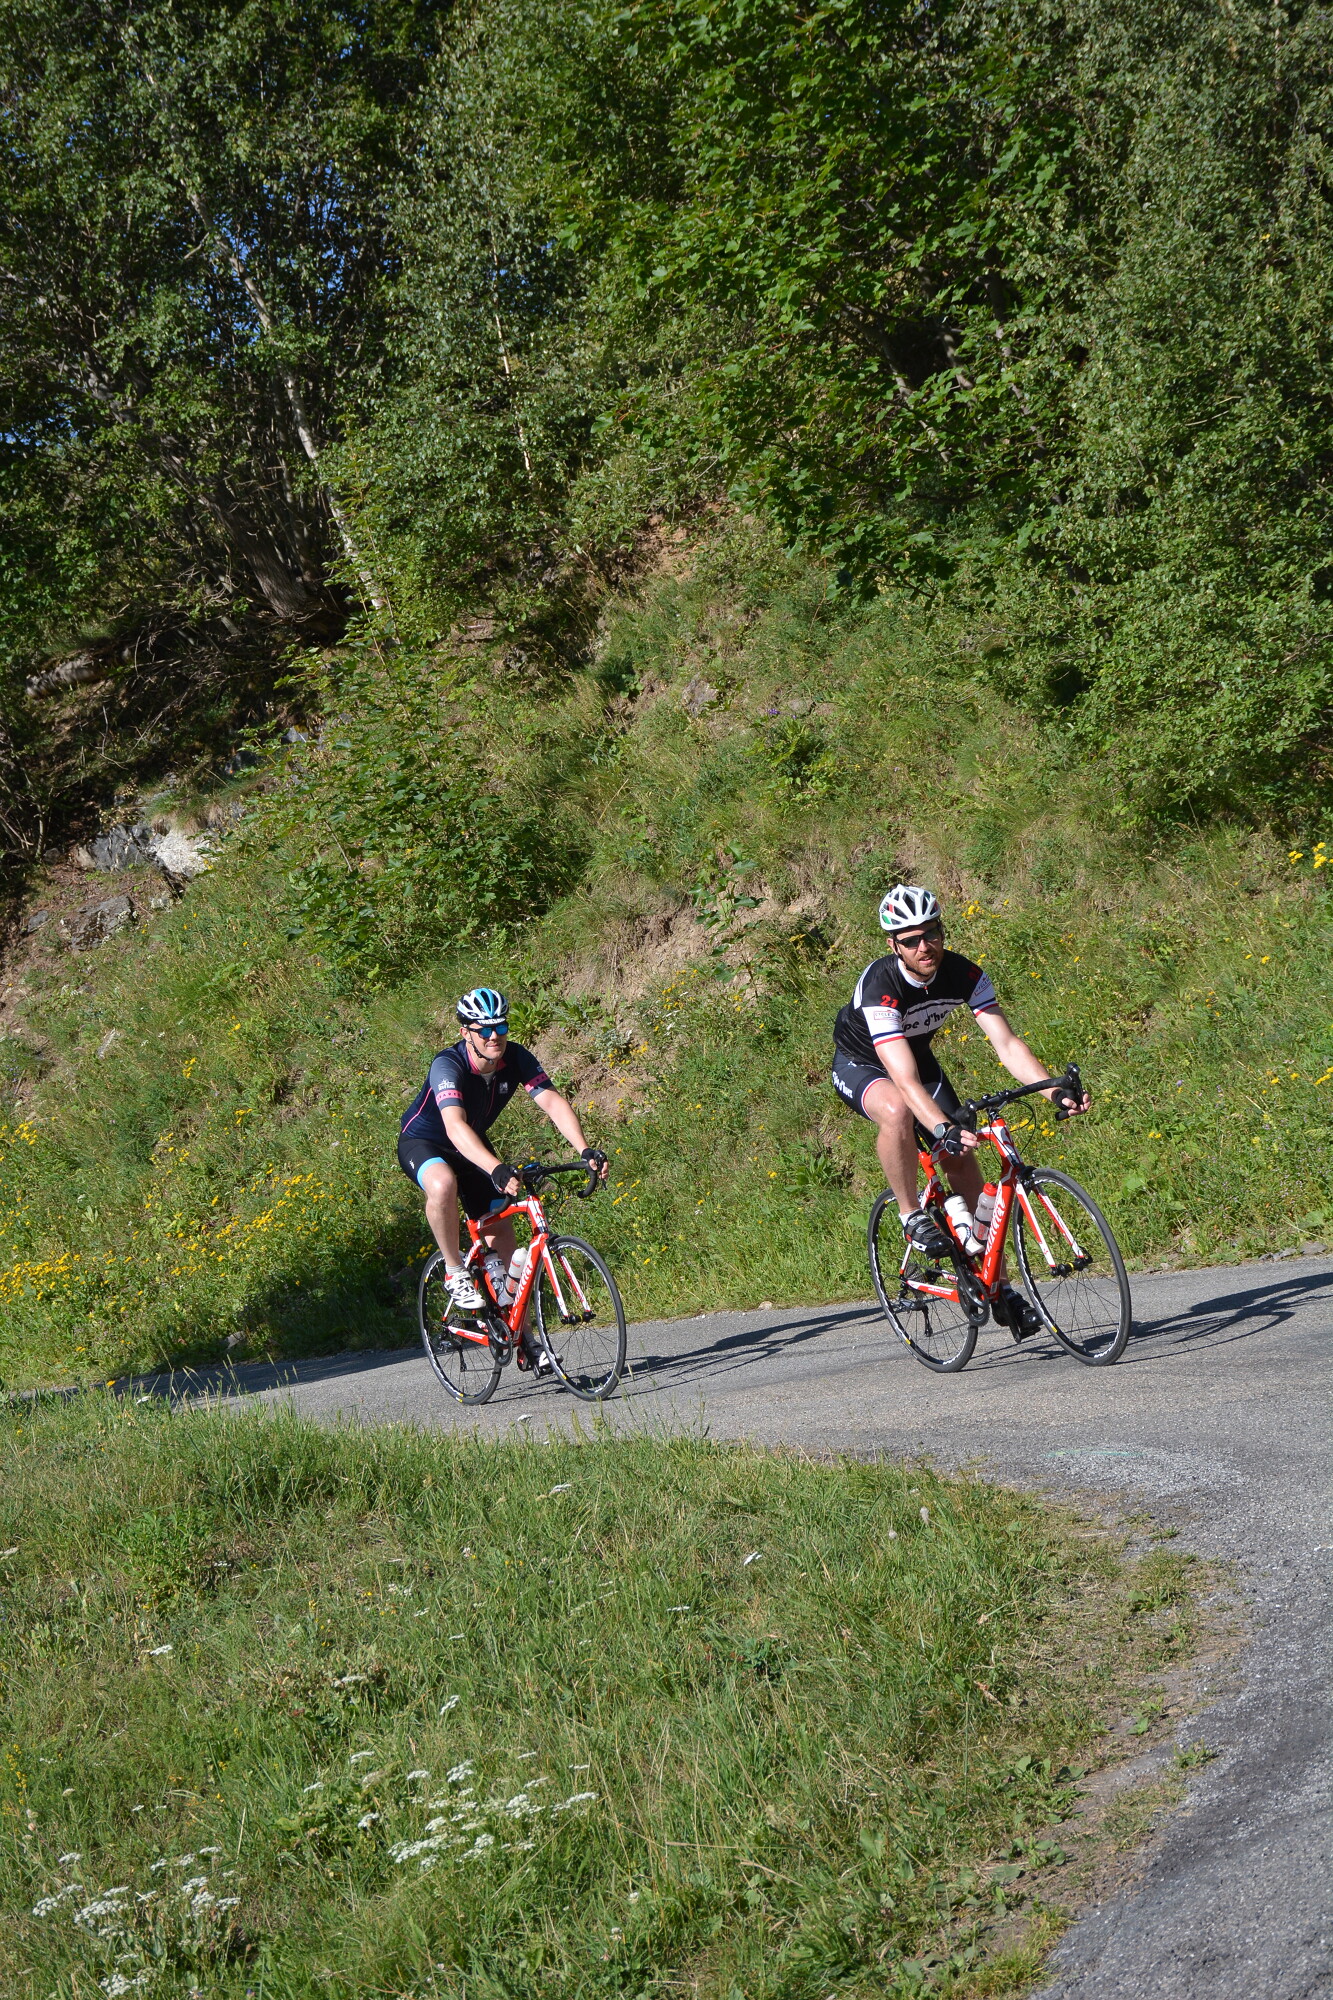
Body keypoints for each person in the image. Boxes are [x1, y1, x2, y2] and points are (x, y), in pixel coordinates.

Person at [832, 884, 1089, 1339]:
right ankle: (911, 1214)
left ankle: (1002, 1290)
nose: (923, 946)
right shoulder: (881, 986)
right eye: (910, 940)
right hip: (865, 1062)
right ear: (893, 945)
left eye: (930, 933)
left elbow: (1006, 1043)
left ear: (941, 931)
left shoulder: (965, 974)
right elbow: (904, 1082)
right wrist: (939, 1127)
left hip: (917, 1059)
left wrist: (1051, 1092)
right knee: (897, 1110)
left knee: (963, 1159)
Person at [399, 986, 608, 1364]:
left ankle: (525, 1338)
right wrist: (494, 1166)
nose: (494, 1035)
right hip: (427, 1142)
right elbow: (454, 1127)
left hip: (473, 1146)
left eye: (501, 1026)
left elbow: (552, 1102)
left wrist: (584, 1149)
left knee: (506, 1241)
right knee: (443, 1183)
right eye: (483, 1029)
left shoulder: (515, 1058)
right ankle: (453, 1270)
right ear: (466, 1032)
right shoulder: (448, 1065)